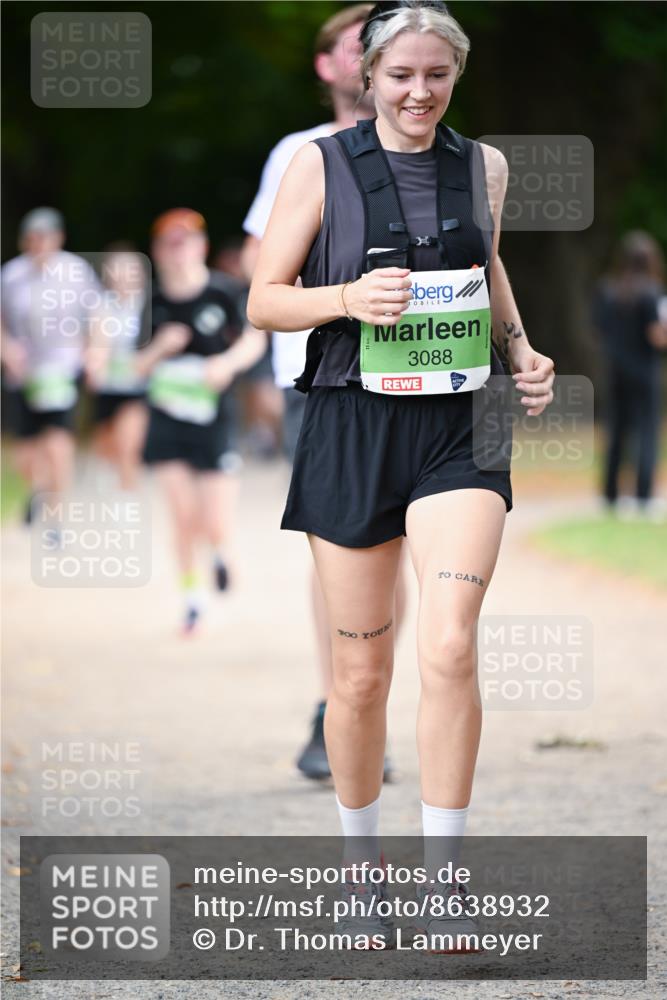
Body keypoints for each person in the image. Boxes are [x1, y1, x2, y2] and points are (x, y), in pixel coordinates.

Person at [248, 0, 555, 948]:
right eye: (399, 76)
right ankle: (358, 871)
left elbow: (488, 264)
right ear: (367, 76)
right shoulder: (319, 164)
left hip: (459, 427)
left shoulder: (483, 166)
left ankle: (444, 884)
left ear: (454, 76)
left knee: (451, 644)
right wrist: (345, 296)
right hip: (349, 420)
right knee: (360, 671)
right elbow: (263, 298)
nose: (418, 92)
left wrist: (522, 349)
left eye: (436, 75)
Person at [243, 1, 402, 781]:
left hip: (408, 373)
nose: (365, 55)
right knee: (342, 550)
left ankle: (369, 702)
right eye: (353, 45)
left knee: (398, 546)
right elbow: (260, 270)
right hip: (316, 374)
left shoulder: (428, 154)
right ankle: (333, 699)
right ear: (331, 65)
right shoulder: (296, 154)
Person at [136, 209, 266, 635]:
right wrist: (159, 349)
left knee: (214, 519)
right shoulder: (150, 303)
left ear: (201, 246)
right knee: (183, 515)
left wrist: (225, 364)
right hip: (167, 419)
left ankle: (221, 551)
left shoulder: (225, 292)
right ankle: (192, 598)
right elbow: (133, 368)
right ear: (157, 251)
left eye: (186, 242)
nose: (178, 251)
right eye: (170, 244)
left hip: (214, 419)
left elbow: (254, 338)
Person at [1, 208, 102, 522]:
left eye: (44, 238)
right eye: (32, 239)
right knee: (25, 454)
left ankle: (57, 517)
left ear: (58, 239)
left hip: (62, 368)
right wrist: (7, 350)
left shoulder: (76, 271)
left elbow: (97, 315)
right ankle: (38, 488)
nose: (38, 245)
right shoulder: (11, 275)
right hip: (24, 373)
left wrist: (95, 354)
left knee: (58, 444)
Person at [592, 230, 666, 519]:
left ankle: (610, 496)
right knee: (646, 432)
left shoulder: (607, 290)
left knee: (616, 432)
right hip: (644, 372)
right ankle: (643, 497)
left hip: (615, 371)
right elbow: (656, 336)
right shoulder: (652, 292)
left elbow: (599, 328)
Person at [213, 237, 283, 460]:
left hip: (263, 352)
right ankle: (259, 433)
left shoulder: (253, 289)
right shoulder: (227, 292)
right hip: (234, 352)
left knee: (264, 394)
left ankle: (268, 434)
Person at [86, 244, 148, 491]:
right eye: (117, 270)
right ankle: (118, 483)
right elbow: (97, 340)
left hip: (137, 386)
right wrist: (95, 362)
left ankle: (128, 493)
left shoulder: (149, 304)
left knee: (128, 443)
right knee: (107, 447)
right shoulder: (102, 305)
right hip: (108, 386)